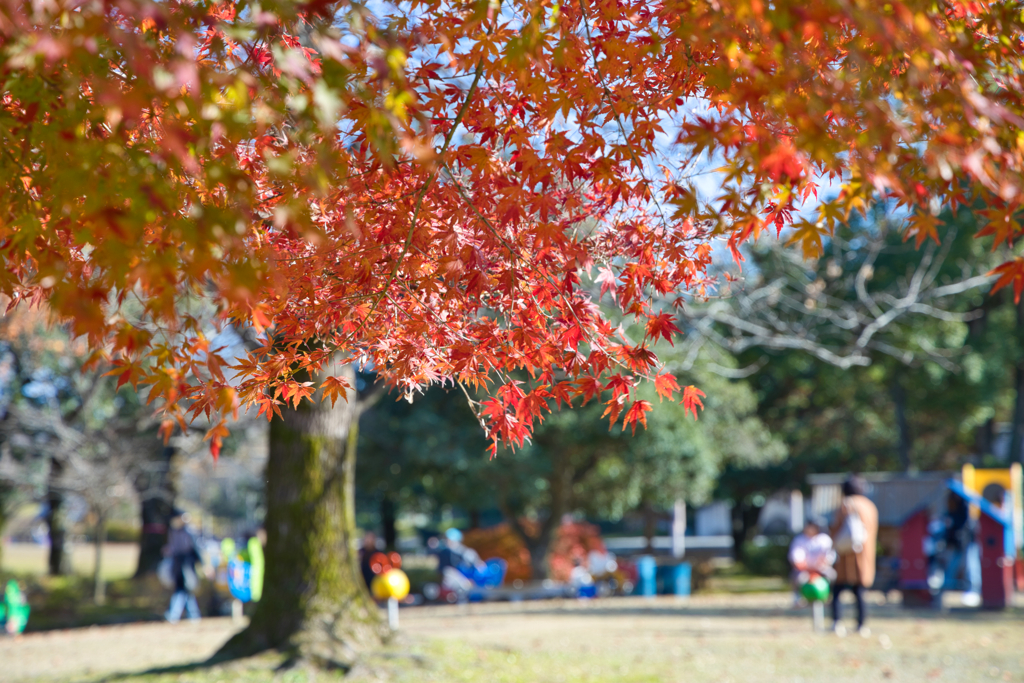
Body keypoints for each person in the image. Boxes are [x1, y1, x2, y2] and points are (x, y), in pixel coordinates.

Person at [830, 476, 878, 637]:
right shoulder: (870, 506)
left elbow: (837, 528)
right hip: (865, 554)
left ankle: (837, 623)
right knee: (860, 591)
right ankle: (862, 625)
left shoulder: (847, 504)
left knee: (837, 589)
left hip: (847, 555)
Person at [163, 511, 202, 623]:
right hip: (177, 564)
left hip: (187, 564)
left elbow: (196, 549)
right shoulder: (173, 531)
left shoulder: (190, 531)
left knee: (185, 589)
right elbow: (173, 547)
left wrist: (203, 564)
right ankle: (193, 616)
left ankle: (174, 615)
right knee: (184, 590)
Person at [788, 516, 835, 606]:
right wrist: (810, 571)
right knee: (797, 577)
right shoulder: (799, 539)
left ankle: (829, 596)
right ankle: (798, 598)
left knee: (832, 575)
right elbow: (797, 560)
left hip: (821, 569)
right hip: (804, 569)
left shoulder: (825, 539)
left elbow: (829, 558)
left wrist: (817, 569)